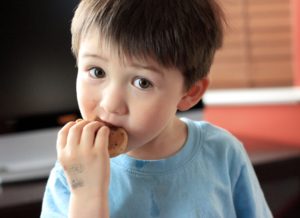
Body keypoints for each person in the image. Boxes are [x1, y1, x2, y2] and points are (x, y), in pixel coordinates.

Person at [41, 0, 273, 217]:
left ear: (190, 93)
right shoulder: (72, 174)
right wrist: (87, 194)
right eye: (97, 71)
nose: (111, 104)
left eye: (142, 82)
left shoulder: (223, 154)